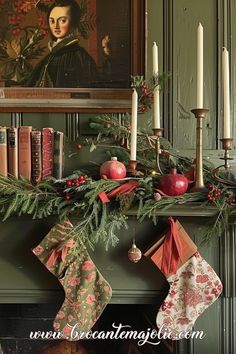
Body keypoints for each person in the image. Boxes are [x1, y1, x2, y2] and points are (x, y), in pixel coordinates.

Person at [26, 0, 97, 87]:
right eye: (52, 21)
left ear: (73, 24)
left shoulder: (80, 57)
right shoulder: (50, 57)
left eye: (62, 21)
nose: (56, 26)